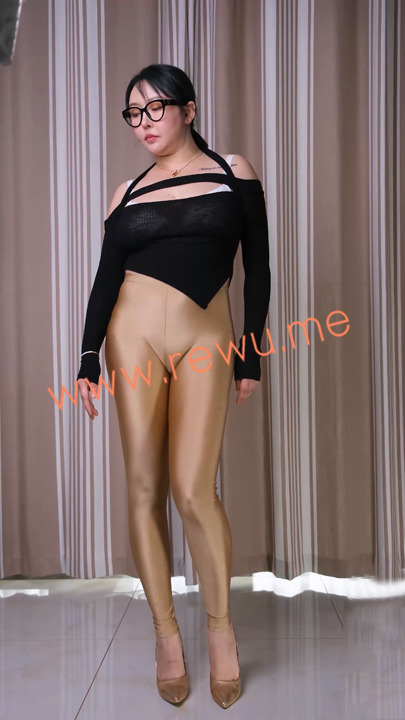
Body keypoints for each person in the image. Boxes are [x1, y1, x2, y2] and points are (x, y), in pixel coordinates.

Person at [76, 63, 271, 708]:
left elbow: (258, 266)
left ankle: (220, 629)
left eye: (155, 108)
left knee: (193, 489)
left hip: (205, 336)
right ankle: (165, 636)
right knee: (143, 488)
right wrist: (86, 358)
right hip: (130, 337)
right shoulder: (127, 192)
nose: (144, 123)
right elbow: (106, 279)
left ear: (189, 109)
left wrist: (251, 354)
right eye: (133, 114)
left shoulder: (231, 171)